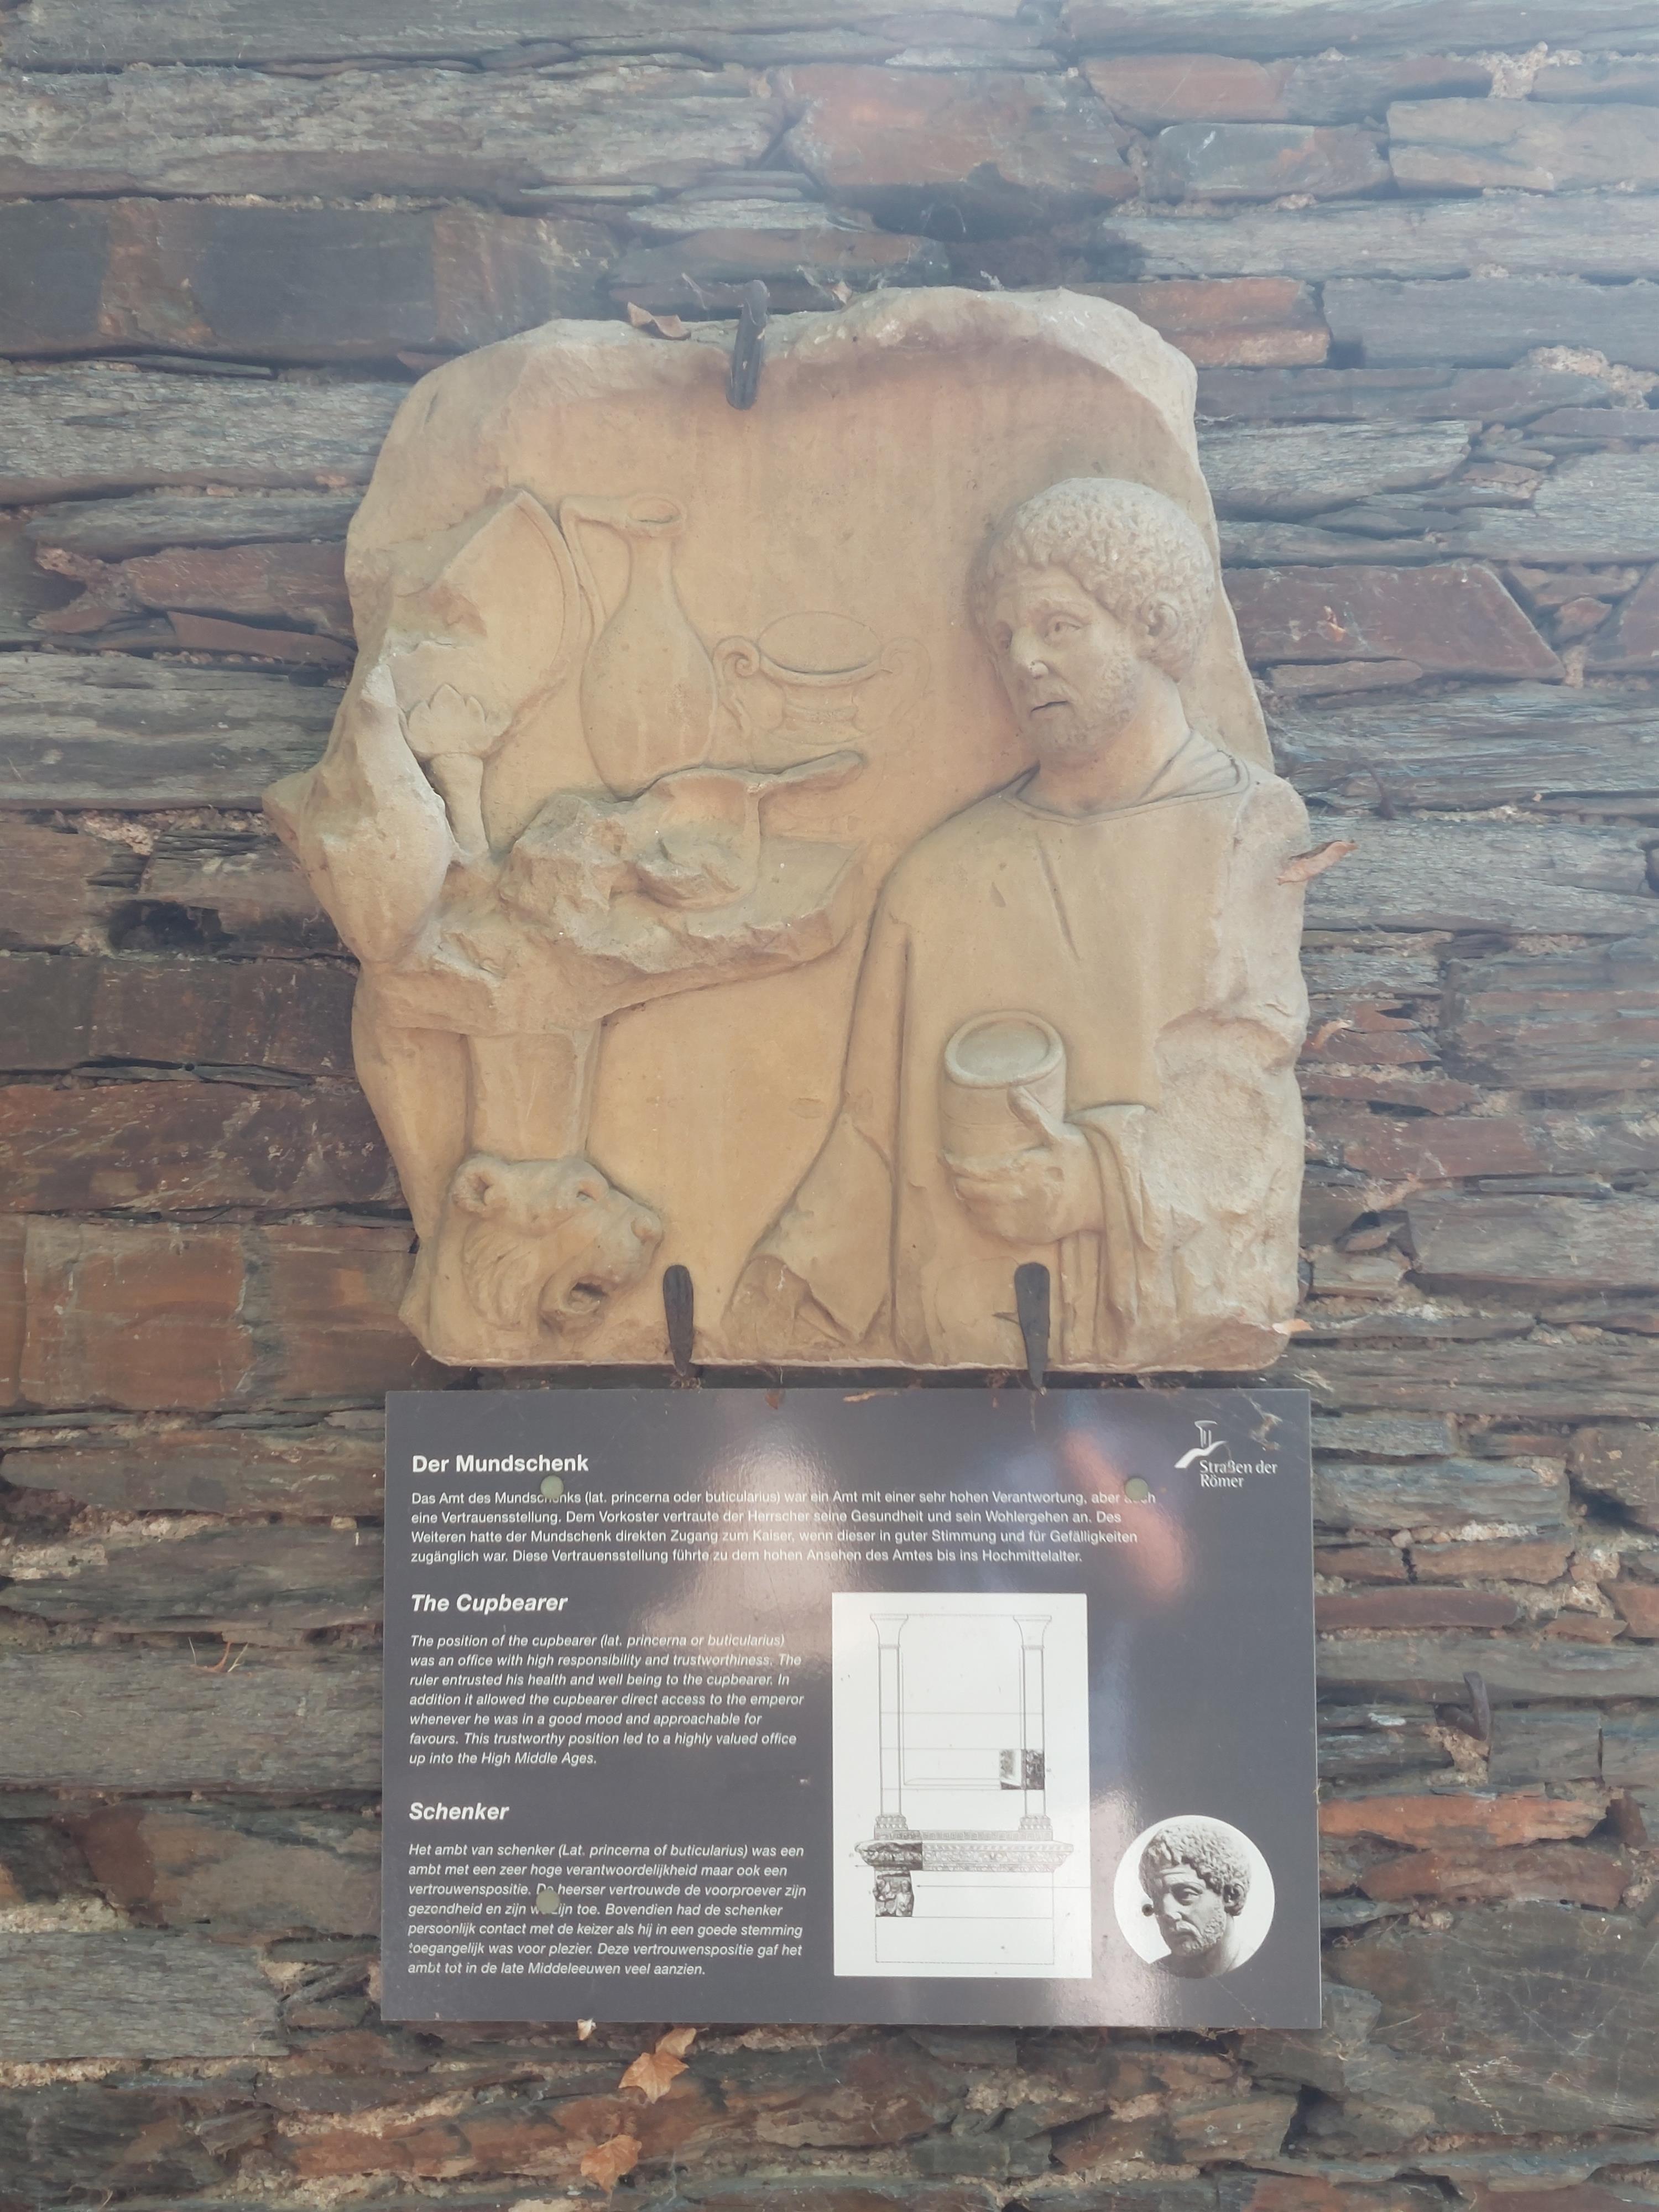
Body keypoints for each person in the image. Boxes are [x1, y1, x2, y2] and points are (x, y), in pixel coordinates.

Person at [727, 476, 1310, 1370]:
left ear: (1151, 624)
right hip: (965, 1341)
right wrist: (784, 1291)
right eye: (1004, 639)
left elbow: (1249, 1095)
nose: (1024, 660)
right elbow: (869, 1140)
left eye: (1058, 625)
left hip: (1158, 1319)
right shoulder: (941, 877)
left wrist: (1094, 1184)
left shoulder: (1245, 827)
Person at [1138, 1818, 1255, 1978]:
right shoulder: (1151, 1976)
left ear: (1231, 1896)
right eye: (1156, 1898)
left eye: (1186, 1894)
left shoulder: (1261, 1971)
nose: (1167, 1913)